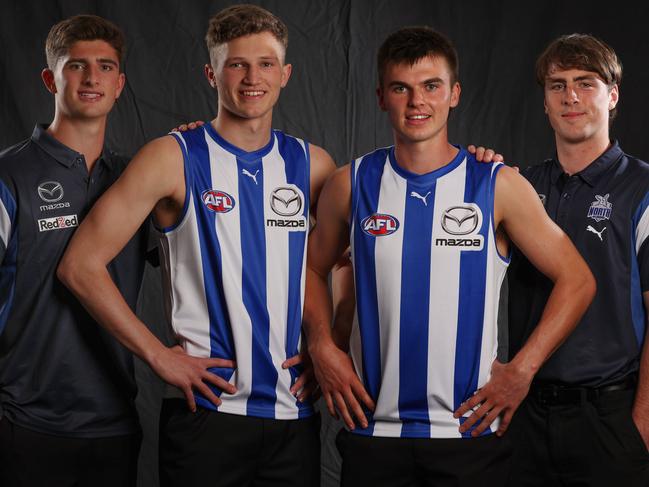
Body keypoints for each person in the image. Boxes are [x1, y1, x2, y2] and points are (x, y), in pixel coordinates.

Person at [303, 26, 596, 487]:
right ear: (382, 96)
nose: (417, 101)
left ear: (454, 94)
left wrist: (522, 370)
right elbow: (312, 267)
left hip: (469, 431)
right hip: (374, 431)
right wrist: (322, 343)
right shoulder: (350, 183)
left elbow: (578, 280)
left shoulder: (496, 184)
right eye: (401, 88)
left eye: (431, 86)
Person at [58, 5, 337, 487]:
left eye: (266, 64)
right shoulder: (172, 157)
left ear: (286, 74)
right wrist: (158, 355)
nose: (253, 77)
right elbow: (80, 266)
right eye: (237, 64)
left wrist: (324, 344)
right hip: (207, 412)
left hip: (294, 414)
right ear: (212, 74)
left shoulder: (313, 165)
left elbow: (334, 267)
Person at [0, 15, 147, 486]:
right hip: (23, 420)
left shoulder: (138, 180)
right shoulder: (10, 176)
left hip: (113, 423)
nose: (92, 78)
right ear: (50, 78)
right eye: (76, 66)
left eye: (106, 67)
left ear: (120, 84)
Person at [504, 34, 649, 486]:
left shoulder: (642, 189)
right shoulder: (517, 187)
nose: (570, 96)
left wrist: (641, 426)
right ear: (545, 102)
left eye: (586, 83)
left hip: (610, 416)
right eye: (557, 85)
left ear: (613, 95)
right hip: (524, 412)